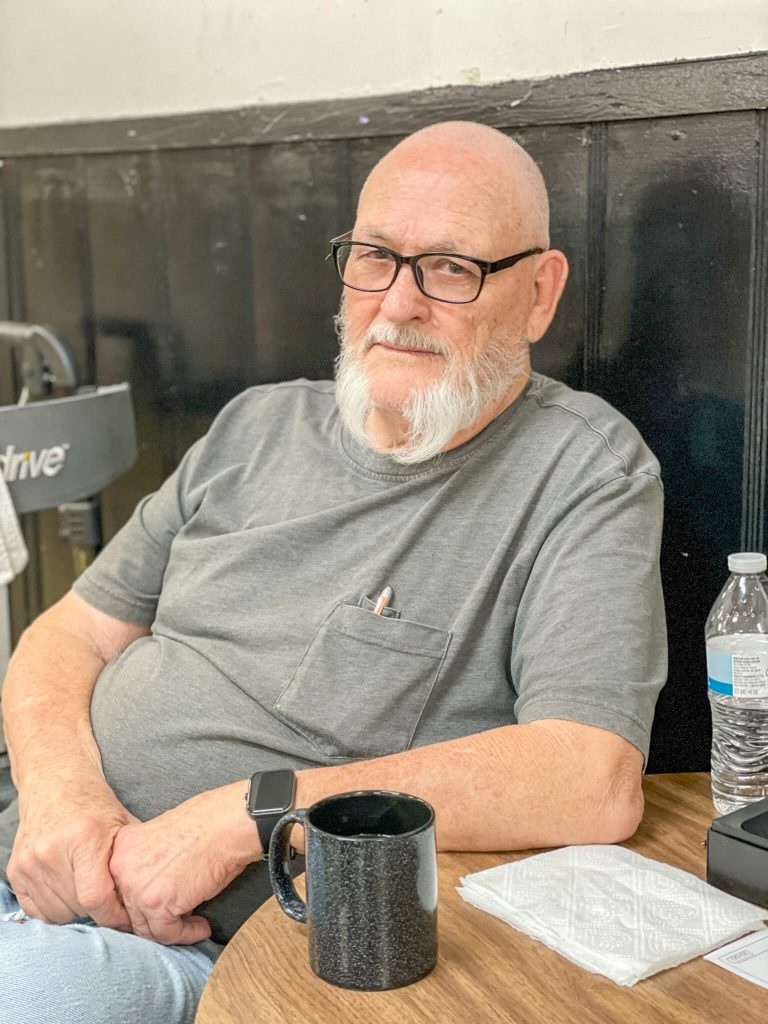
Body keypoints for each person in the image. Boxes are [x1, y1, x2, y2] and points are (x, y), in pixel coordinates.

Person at [0, 121, 666, 1022]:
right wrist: (58, 797)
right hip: (37, 857)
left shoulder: (582, 472)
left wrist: (251, 816)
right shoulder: (253, 427)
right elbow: (73, 630)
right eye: (376, 257)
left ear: (540, 294)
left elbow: (592, 776)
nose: (399, 304)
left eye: (451, 269)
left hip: (211, 948)